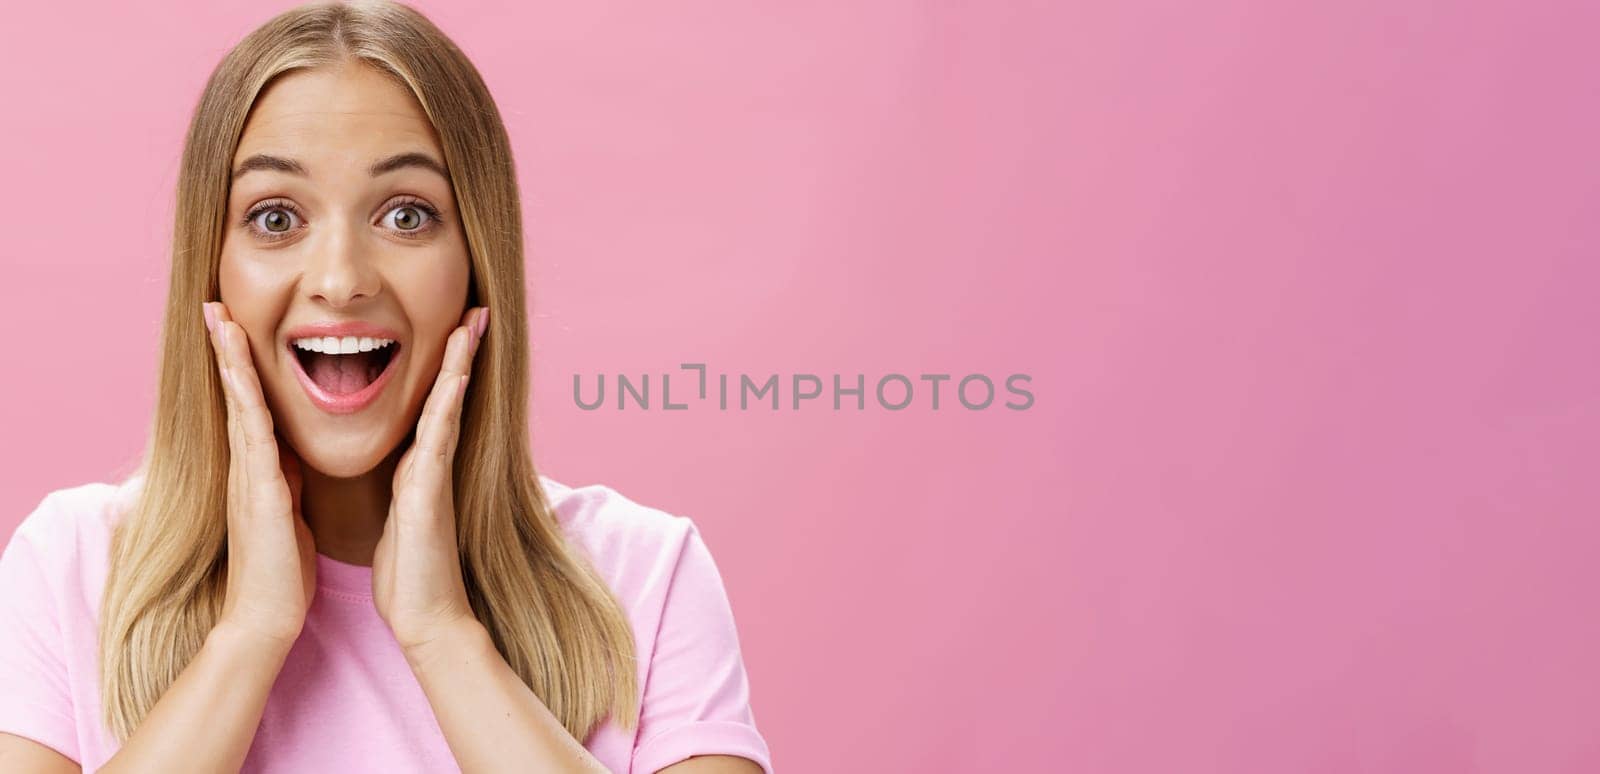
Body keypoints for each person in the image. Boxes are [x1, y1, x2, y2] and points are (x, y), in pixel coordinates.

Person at [0, 2, 771, 772]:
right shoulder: (69, 569)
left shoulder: (646, 577)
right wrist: (249, 635)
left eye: (407, 214)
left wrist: (443, 633)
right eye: (274, 218)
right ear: (212, 265)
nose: (340, 281)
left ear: (477, 258)